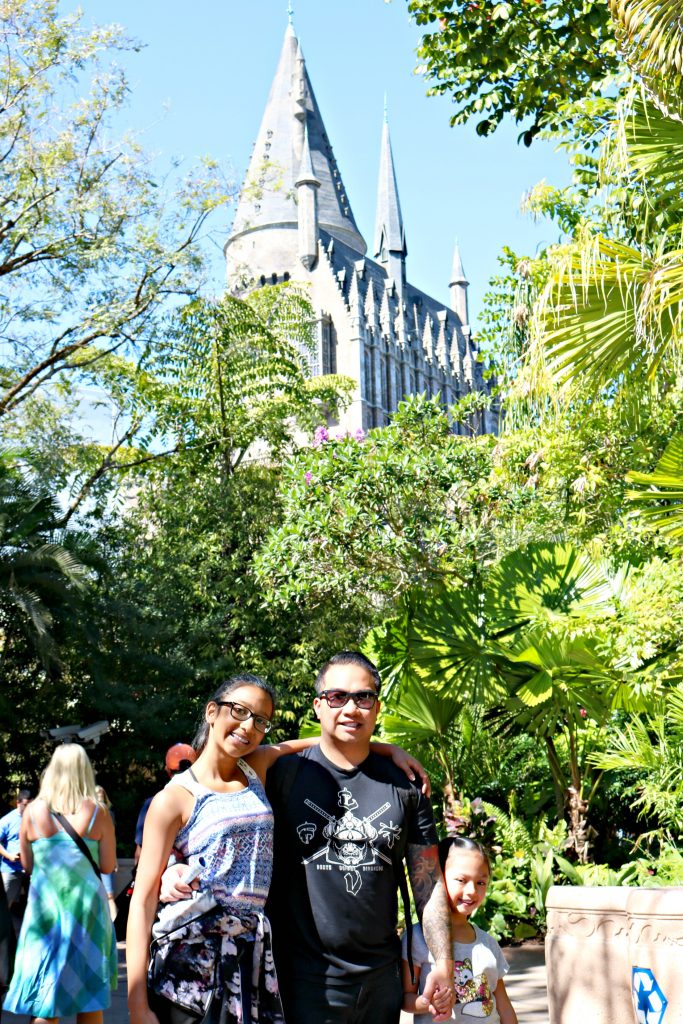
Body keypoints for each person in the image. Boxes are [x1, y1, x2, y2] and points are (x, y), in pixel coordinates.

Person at [128, 670, 430, 1024]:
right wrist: (137, 1005)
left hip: (253, 956)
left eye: (260, 720)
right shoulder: (175, 798)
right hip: (194, 958)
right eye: (238, 711)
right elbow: (143, 898)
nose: (247, 727)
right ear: (212, 712)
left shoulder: (255, 767)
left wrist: (383, 748)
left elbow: (318, 745)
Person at [263, 651, 455, 1024]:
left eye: (363, 698)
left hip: (379, 982)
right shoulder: (284, 776)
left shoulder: (406, 786)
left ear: (377, 708)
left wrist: (442, 962)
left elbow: (427, 885)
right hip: (302, 979)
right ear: (319, 706)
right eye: (337, 697)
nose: (351, 708)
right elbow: (218, 776)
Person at [3, 743, 117, 1024]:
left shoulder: (31, 813)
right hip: (87, 914)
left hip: (45, 914)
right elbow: (107, 866)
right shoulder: (98, 812)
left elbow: (28, 866)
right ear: (84, 771)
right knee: (89, 1001)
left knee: (45, 1002)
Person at [402, 836, 518, 1024]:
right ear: (439, 879)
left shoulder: (488, 943)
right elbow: (406, 999)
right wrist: (429, 1002)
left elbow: (503, 1005)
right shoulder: (417, 938)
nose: (472, 891)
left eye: (481, 882)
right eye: (461, 880)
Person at [134, 743, 197, 863]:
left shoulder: (154, 803)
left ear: (167, 770)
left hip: (164, 876)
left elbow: (140, 852)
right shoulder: (208, 801)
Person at [0, 788, 31, 936]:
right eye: (26, 804)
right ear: (18, 803)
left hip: (31, 869)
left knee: (33, 905)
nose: (28, 808)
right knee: (5, 905)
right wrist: (9, 855)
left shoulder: (33, 819)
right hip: (11, 869)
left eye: (30, 805)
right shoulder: (7, 820)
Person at [95, 785, 118, 920]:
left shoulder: (108, 813)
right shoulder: (89, 812)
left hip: (104, 854)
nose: (99, 796)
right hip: (92, 857)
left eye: (101, 793)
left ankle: (114, 922)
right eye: (96, 793)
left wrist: (113, 858)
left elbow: (111, 837)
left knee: (109, 894)